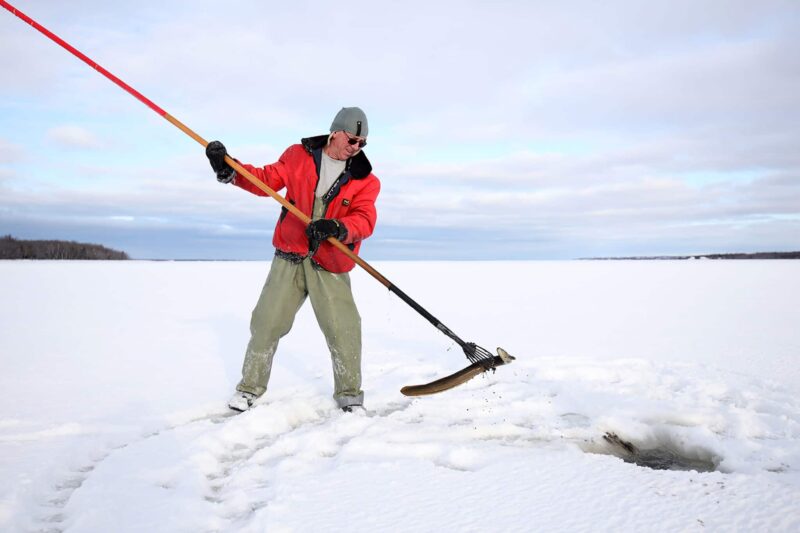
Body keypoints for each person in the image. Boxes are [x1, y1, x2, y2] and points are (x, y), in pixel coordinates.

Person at [205, 107, 380, 413]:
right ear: (335, 132)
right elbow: (265, 180)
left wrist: (338, 228)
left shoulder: (366, 179)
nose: (356, 148)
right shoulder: (299, 155)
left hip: (330, 262)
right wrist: (230, 169)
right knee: (266, 322)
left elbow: (364, 219)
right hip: (290, 255)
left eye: (362, 143)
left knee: (345, 329)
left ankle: (350, 396)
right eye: (352, 140)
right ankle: (249, 389)